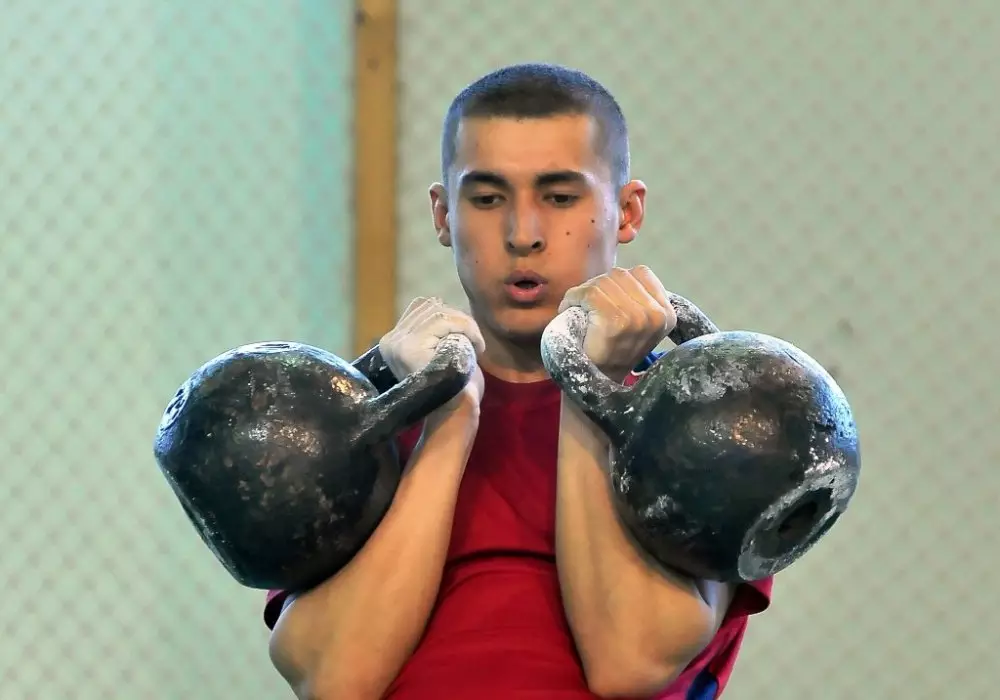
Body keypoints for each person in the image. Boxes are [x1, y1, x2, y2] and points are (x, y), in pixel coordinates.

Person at [263, 63, 773, 700]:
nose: (522, 235)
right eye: (486, 199)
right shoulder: (361, 422)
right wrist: (447, 417)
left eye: (559, 198)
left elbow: (631, 664)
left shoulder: (704, 418)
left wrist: (588, 382)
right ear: (443, 215)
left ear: (626, 211)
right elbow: (333, 679)